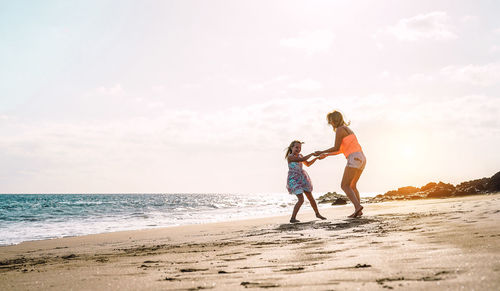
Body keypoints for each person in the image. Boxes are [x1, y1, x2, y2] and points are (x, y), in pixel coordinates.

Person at [314, 111, 366, 218]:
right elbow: (340, 150)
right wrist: (326, 154)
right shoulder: (347, 129)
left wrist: (321, 152)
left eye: (330, 121)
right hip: (361, 158)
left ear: (333, 120)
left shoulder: (340, 129)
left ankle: (357, 207)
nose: (330, 123)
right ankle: (358, 210)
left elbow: (336, 147)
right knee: (352, 185)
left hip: (354, 157)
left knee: (344, 185)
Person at [286, 140, 327, 223]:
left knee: (311, 198)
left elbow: (307, 164)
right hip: (294, 179)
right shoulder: (290, 157)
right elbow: (302, 159)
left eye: (300, 148)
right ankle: (293, 218)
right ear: (291, 147)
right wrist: (312, 154)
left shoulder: (300, 155)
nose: (298, 149)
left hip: (302, 178)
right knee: (301, 199)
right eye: (296, 147)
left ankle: (317, 214)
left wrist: (316, 158)